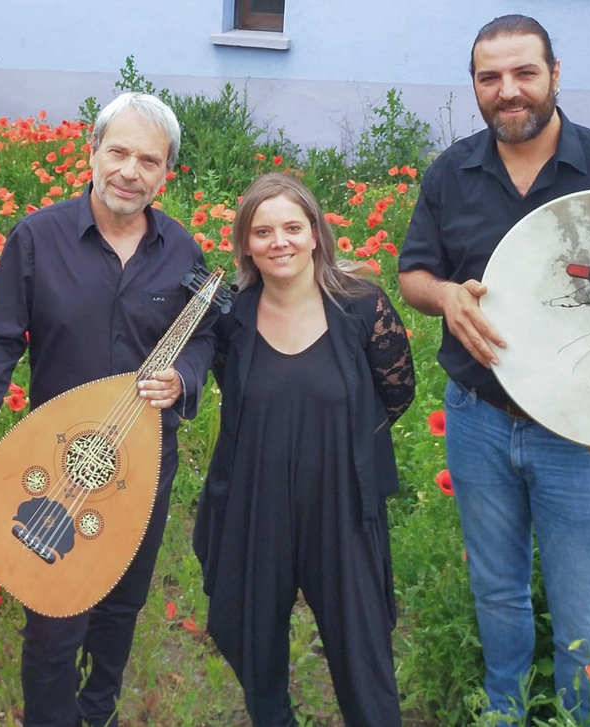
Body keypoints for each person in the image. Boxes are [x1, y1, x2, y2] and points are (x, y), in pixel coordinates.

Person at [397, 14, 590, 723]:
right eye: (490, 78)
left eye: (523, 73)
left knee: (586, 611)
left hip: (582, 434)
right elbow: (414, 274)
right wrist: (446, 296)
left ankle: (584, 717)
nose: (507, 91)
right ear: (476, 87)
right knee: (497, 591)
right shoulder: (451, 174)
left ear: (555, 75)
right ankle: (505, 709)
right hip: (479, 419)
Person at [0, 92, 215, 727]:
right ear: (91, 153)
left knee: (121, 606)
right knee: (55, 614)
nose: (130, 172)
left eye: (149, 160)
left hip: (141, 465)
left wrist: (185, 377)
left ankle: (99, 712)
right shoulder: (38, 237)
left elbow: (203, 334)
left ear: (166, 173)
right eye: (118, 152)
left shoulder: (180, 250)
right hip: (56, 460)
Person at [194, 173, 414, 726]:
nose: (279, 241)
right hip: (255, 503)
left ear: (316, 233)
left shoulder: (362, 307)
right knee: (254, 640)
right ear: (246, 243)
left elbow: (396, 392)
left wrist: (333, 441)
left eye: (292, 227)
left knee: (362, 652)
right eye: (263, 231)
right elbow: (235, 396)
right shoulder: (232, 319)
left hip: (341, 504)